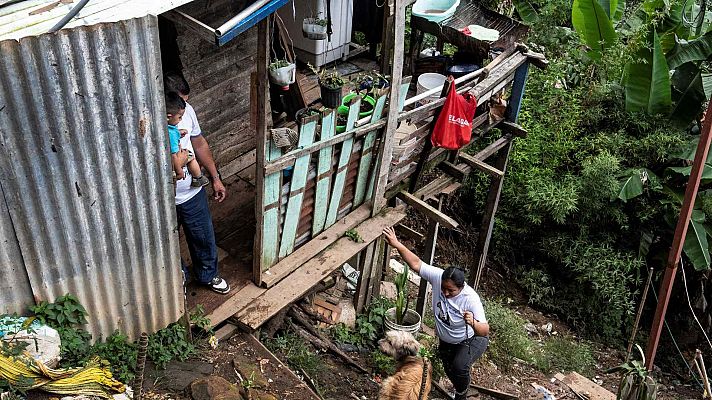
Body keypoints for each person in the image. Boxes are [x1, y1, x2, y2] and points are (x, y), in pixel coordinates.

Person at [382, 226, 489, 400]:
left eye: (451, 291)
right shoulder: (438, 277)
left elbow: (484, 331)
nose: (445, 293)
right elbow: (416, 263)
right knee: (450, 369)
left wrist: (473, 323)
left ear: (461, 288)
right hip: (447, 339)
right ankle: (458, 386)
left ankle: (461, 394)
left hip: (470, 339)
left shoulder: (471, 299)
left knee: (459, 366)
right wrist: (396, 244)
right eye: (444, 289)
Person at [164, 71, 230, 294]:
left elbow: (199, 143)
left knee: (202, 235)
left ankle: (208, 275)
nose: (185, 106)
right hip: (164, 199)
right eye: (180, 101)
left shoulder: (185, 110)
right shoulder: (150, 121)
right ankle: (178, 277)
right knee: (168, 243)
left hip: (192, 192)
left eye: (186, 101)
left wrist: (215, 177)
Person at [165, 92, 209, 188]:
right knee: (191, 157)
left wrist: (179, 133)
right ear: (168, 117)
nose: (180, 120)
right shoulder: (171, 133)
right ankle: (198, 177)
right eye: (179, 117)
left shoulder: (169, 127)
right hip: (177, 158)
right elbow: (174, 156)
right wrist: (179, 171)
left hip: (177, 156)